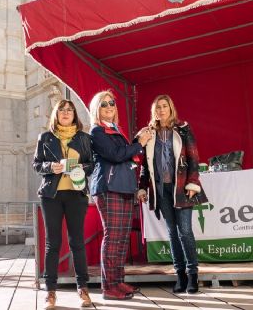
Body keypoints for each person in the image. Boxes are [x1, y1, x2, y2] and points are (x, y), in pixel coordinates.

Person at [137, 94, 208, 294]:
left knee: (185, 231)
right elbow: (145, 166)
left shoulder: (183, 129)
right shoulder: (149, 133)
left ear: (170, 108)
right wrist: (142, 187)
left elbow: (193, 158)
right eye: (157, 107)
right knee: (172, 232)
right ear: (154, 112)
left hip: (182, 187)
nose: (161, 110)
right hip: (161, 191)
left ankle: (193, 274)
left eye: (164, 106)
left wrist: (193, 183)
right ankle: (180, 276)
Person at [89, 90, 152, 300]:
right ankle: (109, 287)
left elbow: (128, 156)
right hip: (109, 188)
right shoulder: (97, 131)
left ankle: (118, 281)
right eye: (104, 104)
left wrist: (136, 141)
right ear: (97, 109)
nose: (109, 107)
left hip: (124, 187)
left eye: (112, 103)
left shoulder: (115, 129)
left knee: (122, 239)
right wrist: (139, 143)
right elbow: (116, 156)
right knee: (113, 238)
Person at [33, 99, 94, 309]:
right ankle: (50, 292)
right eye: (62, 110)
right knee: (53, 244)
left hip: (76, 195)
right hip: (52, 196)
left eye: (70, 110)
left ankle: (83, 288)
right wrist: (51, 166)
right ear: (56, 114)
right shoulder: (46, 137)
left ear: (74, 115)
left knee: (77, 242)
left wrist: (81, 169)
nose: (66, 113)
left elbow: (92, 164)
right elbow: (37, 164)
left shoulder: (84, 138)